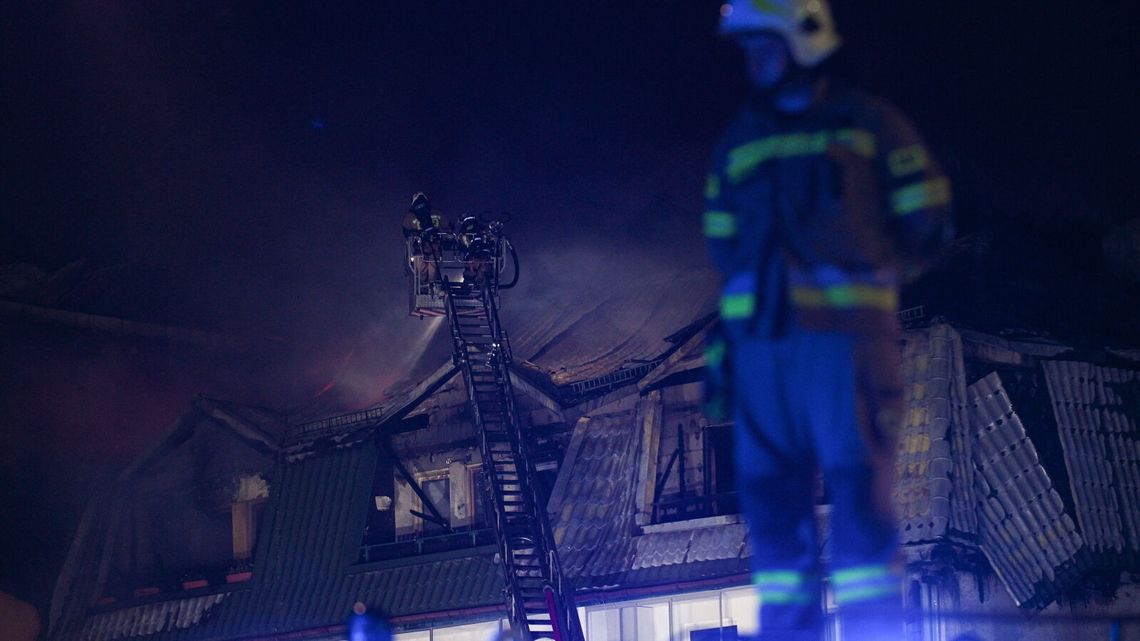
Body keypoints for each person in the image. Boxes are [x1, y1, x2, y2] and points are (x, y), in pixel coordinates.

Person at [703, 2, 953, 640]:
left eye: (766, 46)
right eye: (748, 50)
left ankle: (875, 630)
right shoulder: (739, 140)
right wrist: (727, 348)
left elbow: (929, 222)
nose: (754, 62)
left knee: (860, 501)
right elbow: (725, 251)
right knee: (770, 511)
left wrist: (867, 284)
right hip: (762, 355)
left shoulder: (870, 125)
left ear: (807, 40)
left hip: (845, 351)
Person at [402, 192, 453, 293]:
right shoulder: (437, 213)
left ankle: (423, 290)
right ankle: (434, 290)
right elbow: (449, 228)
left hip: (418, 251)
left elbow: (406, 232)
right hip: (435, 249)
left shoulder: (410, 216)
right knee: (434, 274)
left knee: (421, 275)